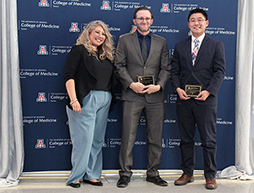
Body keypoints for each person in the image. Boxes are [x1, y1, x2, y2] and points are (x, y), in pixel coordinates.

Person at [114, 6, 171, 188]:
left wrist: (159, 86)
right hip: (132, 95)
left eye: (147, 18)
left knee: (156, 136)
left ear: (152, 21)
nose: (144, 21)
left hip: (155, 97)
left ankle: (153, 173)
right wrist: (131, 84)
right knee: (128, 137)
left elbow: (166, 68)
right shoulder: (124, 40)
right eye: (140, 18)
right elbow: (119, 65)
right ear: (135, 21)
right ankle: (124, 174)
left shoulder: (161, 41)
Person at [170, 8, 226, 189]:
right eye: (192, 20)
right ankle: (187, 173)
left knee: (208, 139)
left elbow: (220, 71)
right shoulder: (180, 46)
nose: (196, 23)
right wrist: (177, 88)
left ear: (206, 23)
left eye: (200, 20)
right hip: (184, 100)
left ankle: (210, 175)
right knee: (186, 139)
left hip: (206, 100)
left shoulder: (216, 45)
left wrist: (209, 91)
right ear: (188, 24)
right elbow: (175, 71)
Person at [64, 20, 116, 188]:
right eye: (97, 32)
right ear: (88, 33)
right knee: (83, 140)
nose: (100, 36)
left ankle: (92, 174)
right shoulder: (79, 50)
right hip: (84, 99)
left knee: (96, 140)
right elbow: (69, 76)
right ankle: (75, 177)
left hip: (105, 99)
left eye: (103, 34)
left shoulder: (106, 56)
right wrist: (74, 100)